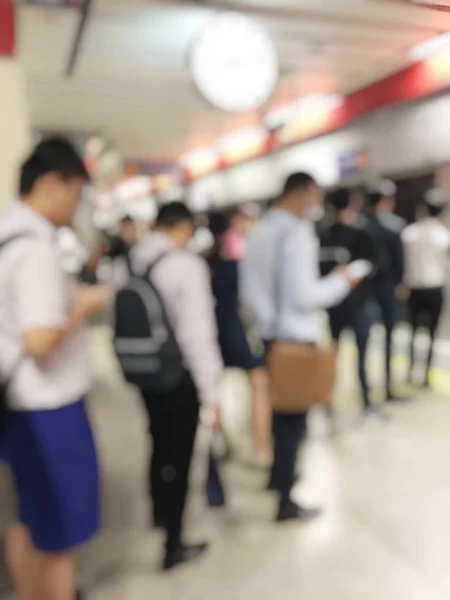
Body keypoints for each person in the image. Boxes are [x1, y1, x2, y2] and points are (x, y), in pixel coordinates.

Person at [0, 138, 111, 600]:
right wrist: (81, 307)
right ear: (50, 183)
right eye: (76, 191)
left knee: (32, 518)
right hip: (50, 408)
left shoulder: (7, 235)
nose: (77, 204)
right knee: (62, 533)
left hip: (18, 402)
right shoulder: (37, 249)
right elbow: (40, 339)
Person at [240, 173, 358, 522]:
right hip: (296, 337)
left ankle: (277, 478)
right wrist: (342, 281)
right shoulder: (297, 235)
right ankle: (285, 499)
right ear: (302, 194)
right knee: (294, 421)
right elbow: (306, 296)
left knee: (279, 413)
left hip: (269, 336)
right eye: (315, 197)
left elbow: (249, 292)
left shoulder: (258, 232)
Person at [132, 202, 223, 570]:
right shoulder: (186, 266)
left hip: (145, 370)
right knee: (180, 459)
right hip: (178, 376)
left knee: (157, 442)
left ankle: (157, 512)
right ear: (184, 226)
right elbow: (196, 334)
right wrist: (212, 393)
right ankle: (174, 543)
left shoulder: (136, 258)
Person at [208, 211, 272, 466]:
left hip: (212, 331)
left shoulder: (205, 262)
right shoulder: (238, 260)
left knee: (214, 388)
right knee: (259, 384)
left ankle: (221, 439)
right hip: (239, 330)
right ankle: (262, 449)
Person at [320, 188, 380, 418]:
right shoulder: (360, 234)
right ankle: (365, 402)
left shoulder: (322, 234)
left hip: (334, 307)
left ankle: (327, 400)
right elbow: (373, 265)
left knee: (332, 354)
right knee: (361, 355)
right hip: (357, 305)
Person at [402, 188, 450, 388]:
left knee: (412, 331)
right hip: (435, 289)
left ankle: (411, 369)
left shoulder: (409, 233)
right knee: (431, 332)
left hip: (414, 288)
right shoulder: (444, 236)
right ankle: (426, 374)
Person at [366, 181, 406, 402]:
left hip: (365, 291)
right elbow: (399, 262)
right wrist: (400, 283)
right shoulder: (394, 227)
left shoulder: (361, 226)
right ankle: (388, 386)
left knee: (363, 340)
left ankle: (367, 390)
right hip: (386, 287)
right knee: (389, 337)